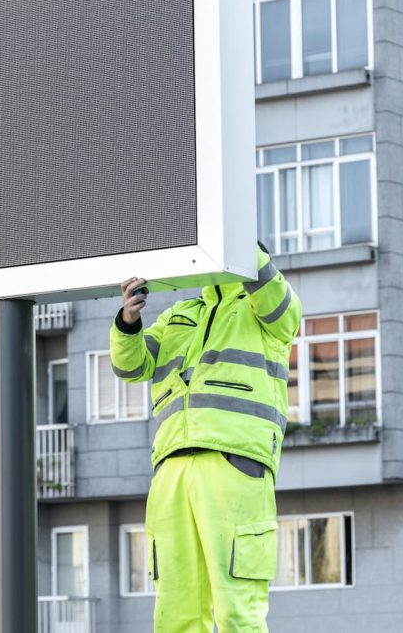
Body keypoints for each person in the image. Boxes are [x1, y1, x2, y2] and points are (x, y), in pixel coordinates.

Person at [110, 241, 301, 632]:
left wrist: (243, 241)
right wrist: (127, 322)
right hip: (172, 468)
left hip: (233, 461)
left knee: (237, 611)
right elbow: (131, 367)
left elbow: (281, 307)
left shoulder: (265, 306)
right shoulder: (180, 314)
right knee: (176, 614)